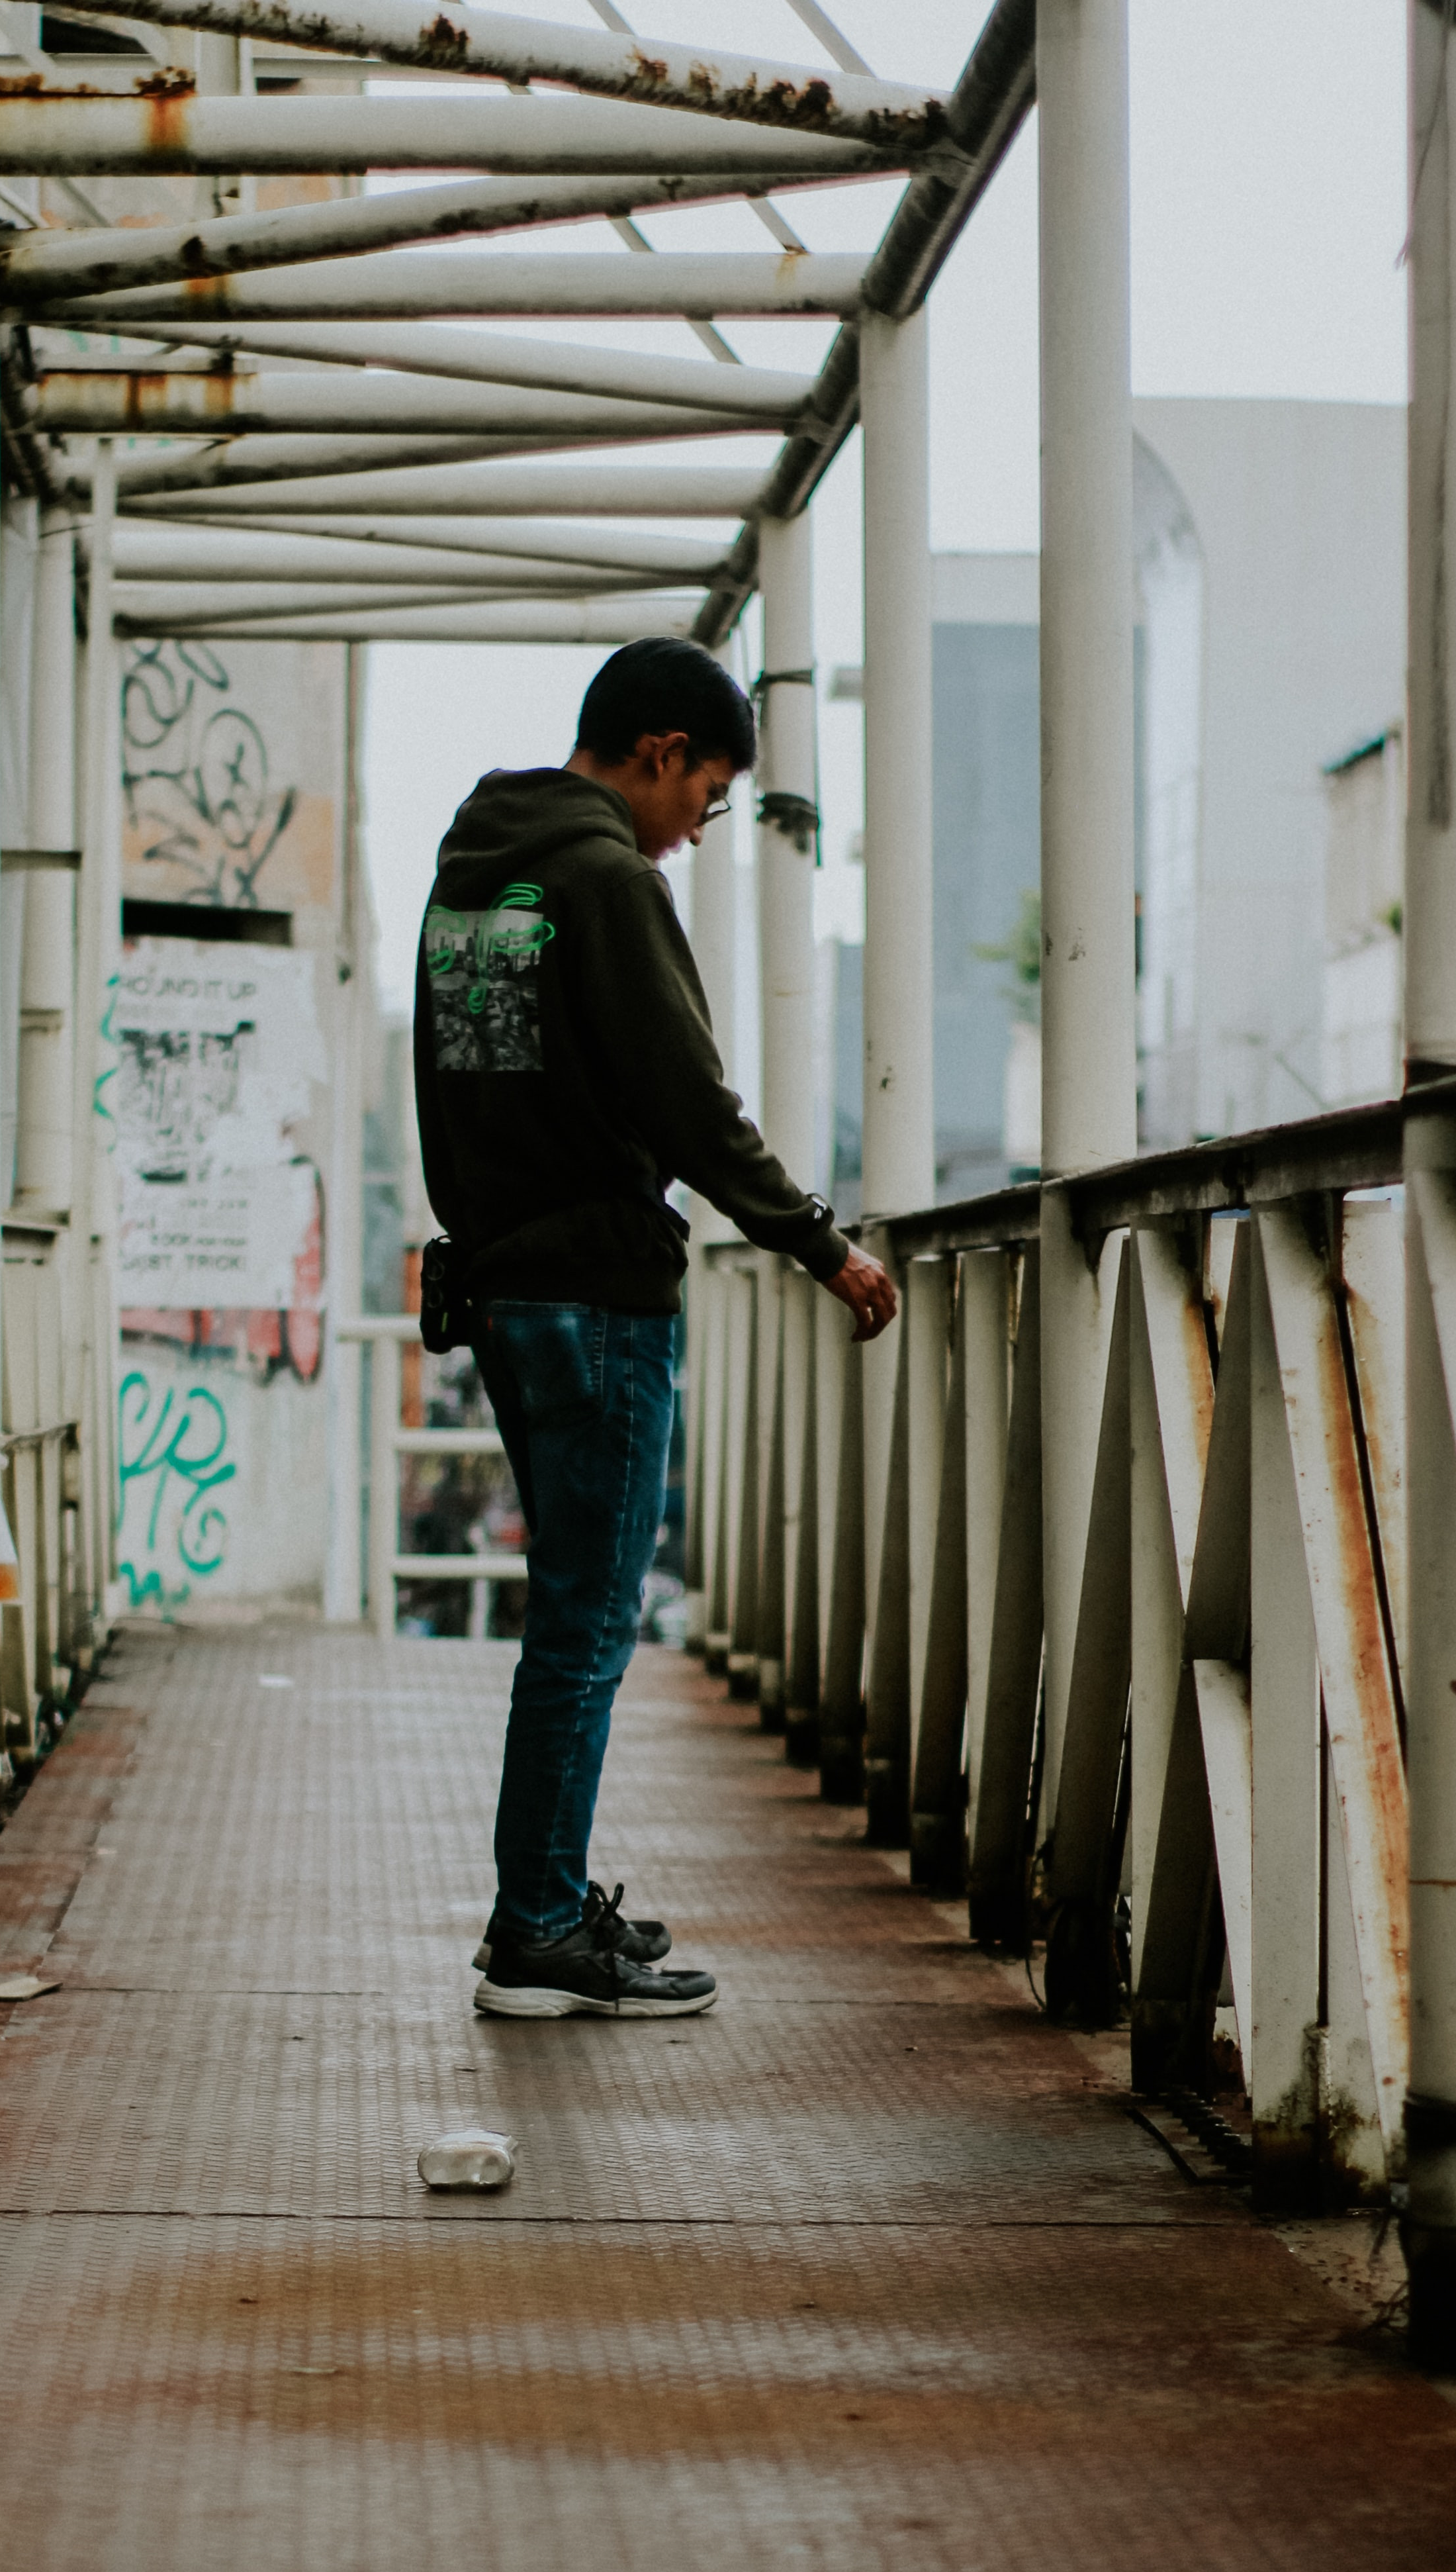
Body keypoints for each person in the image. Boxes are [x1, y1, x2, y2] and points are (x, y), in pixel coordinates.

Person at [413, 636, 900, 2022]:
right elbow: (687, 1099)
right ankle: (536, 1928)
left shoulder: (477, 872)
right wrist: (818, 1242)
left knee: (565, 1612)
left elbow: (471, 1086)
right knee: (586, 1623)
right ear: (662, 751)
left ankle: (546, 1899)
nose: (696, 828)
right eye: (707, 796)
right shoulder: (607, 880)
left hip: (505, 1284)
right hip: (598, 1291)